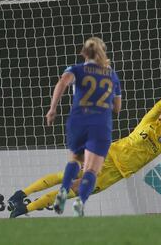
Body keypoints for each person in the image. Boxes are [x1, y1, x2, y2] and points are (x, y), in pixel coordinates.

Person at [8, 72, 161, 218]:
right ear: (160, 115)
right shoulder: (148, 121)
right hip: (105, 155)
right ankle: (22, 194)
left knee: (72, 191)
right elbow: (159, 104)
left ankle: (25, 209)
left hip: (115, 173)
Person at [46, 37, 122, 216]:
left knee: (75, 160)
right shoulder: (111, 75)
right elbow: (117, 108)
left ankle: (64, 190)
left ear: (84, 53)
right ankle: (80, 201)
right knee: (91, 170)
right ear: (103, 52)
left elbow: (62, 83)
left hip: (78, 120)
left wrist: (52, 108)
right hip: (100, 124)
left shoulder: (76, 69)